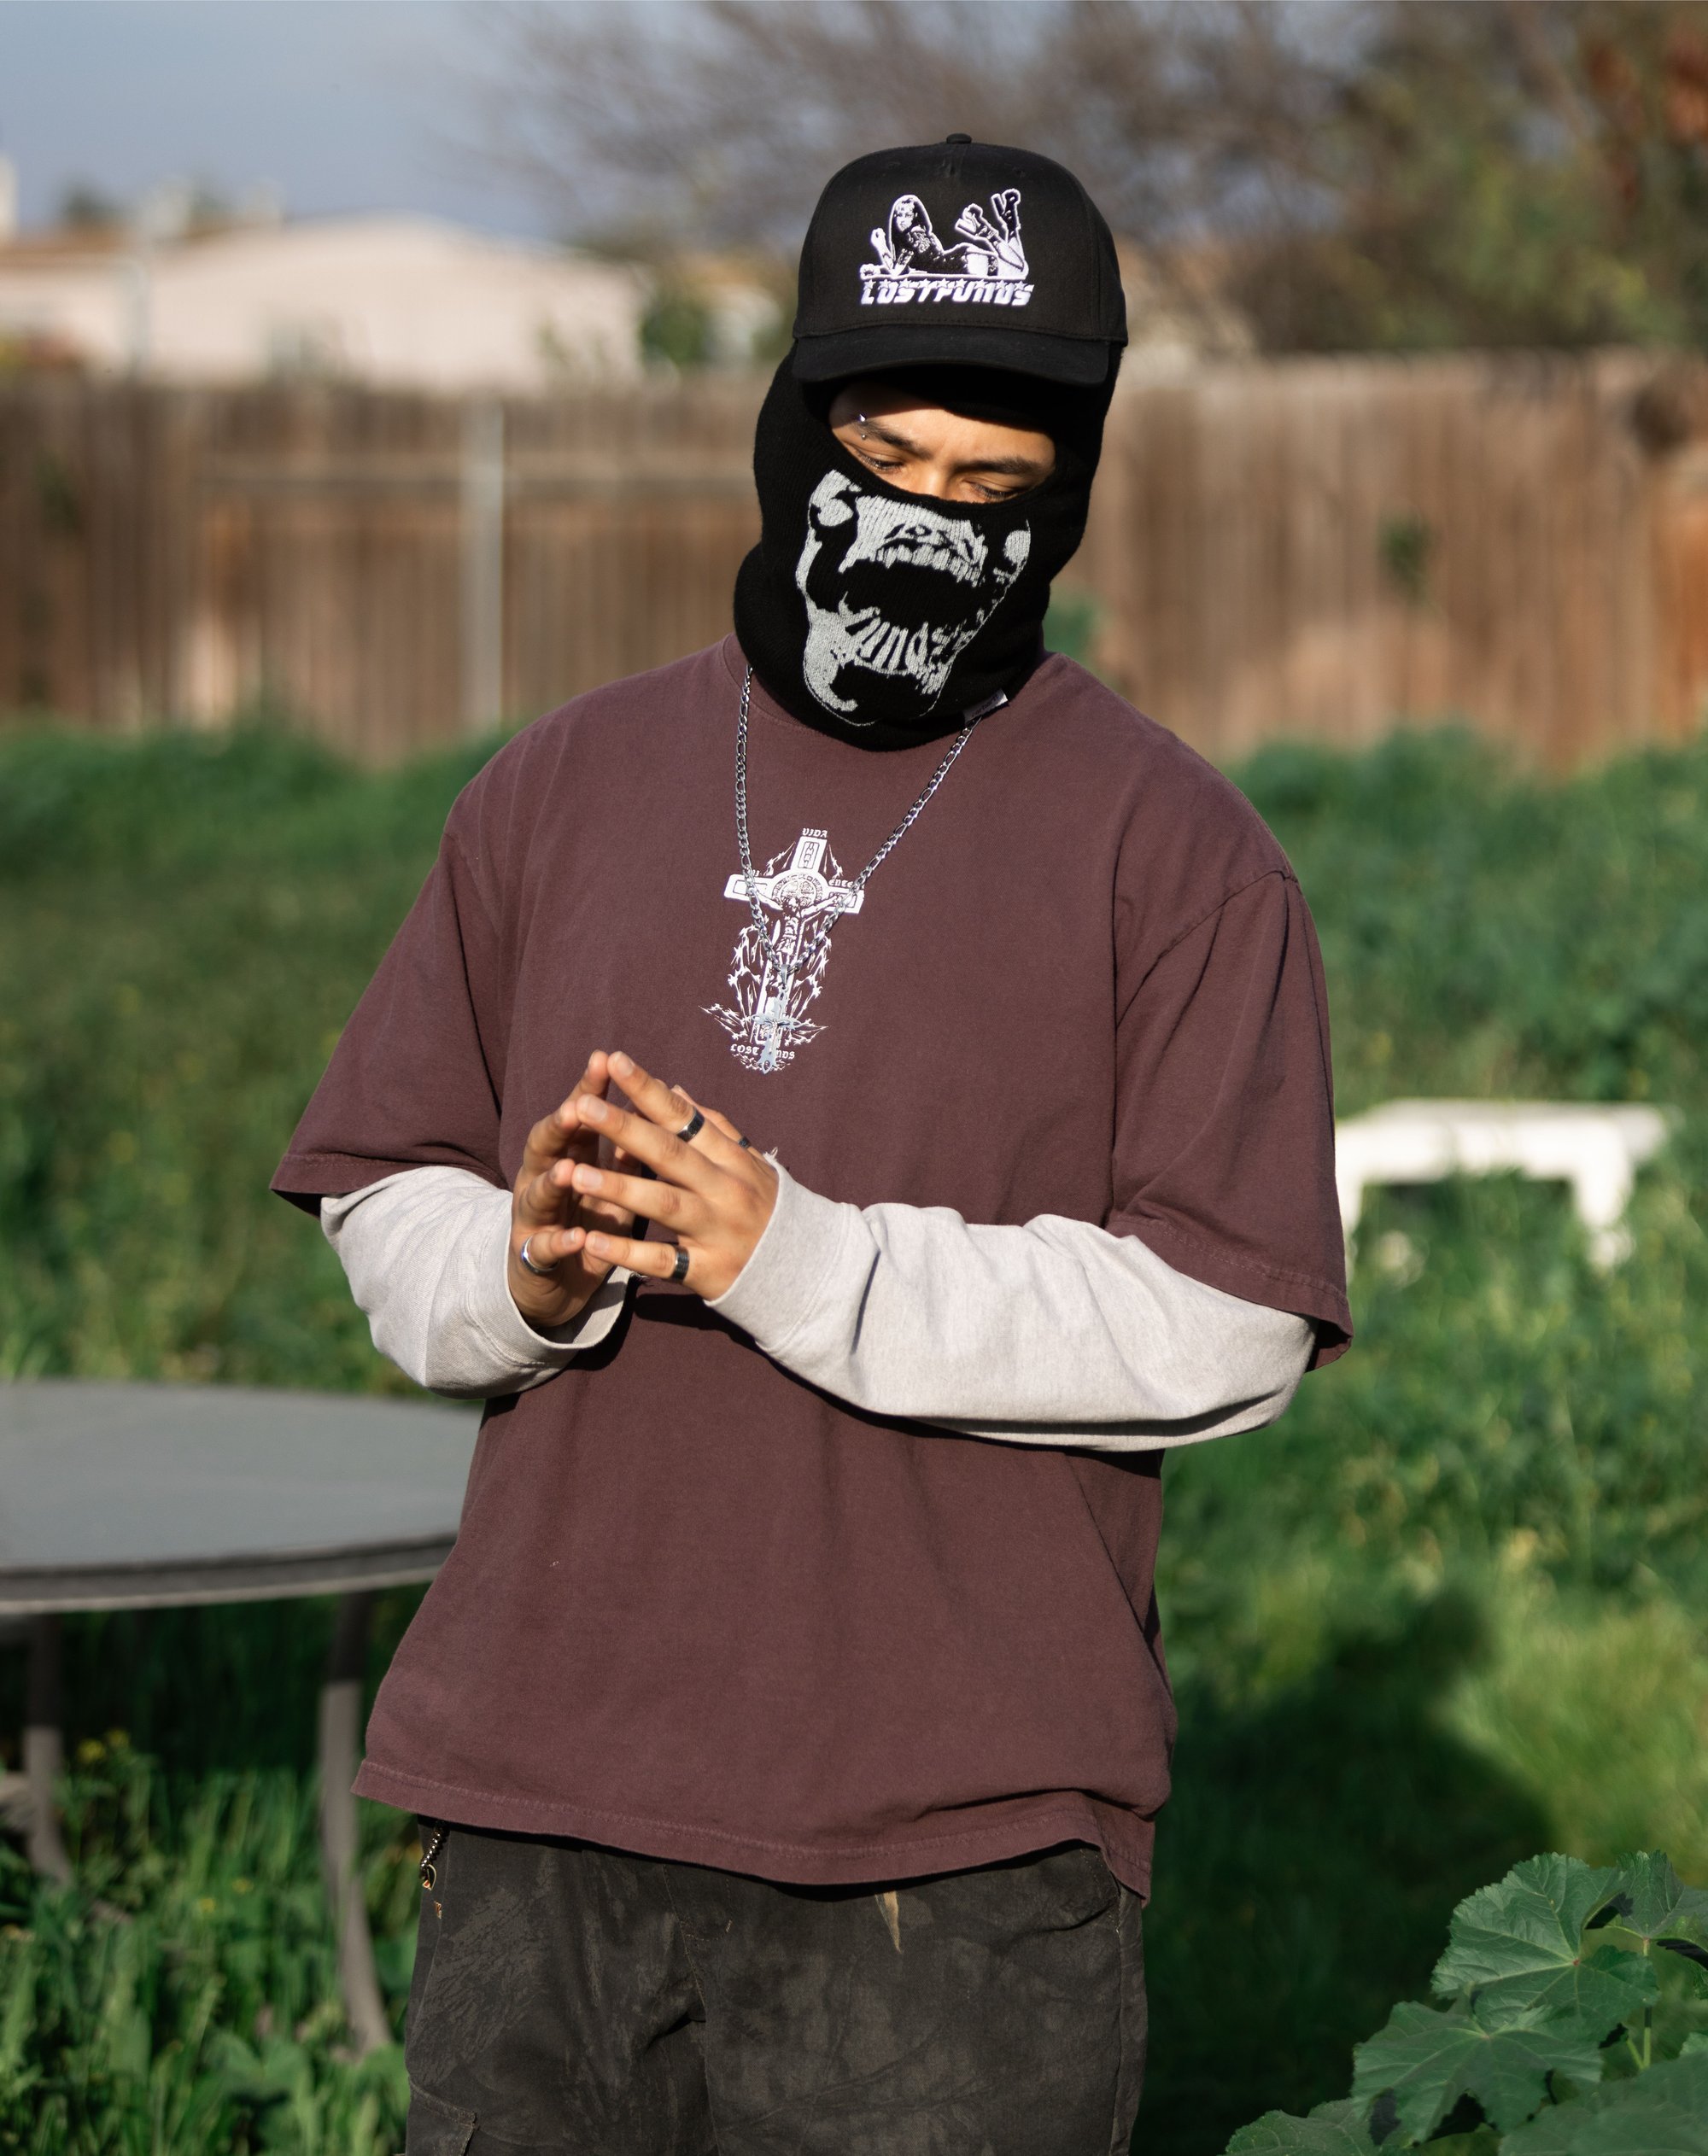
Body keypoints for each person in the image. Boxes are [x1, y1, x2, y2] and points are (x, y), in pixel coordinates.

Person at [274, 136, 1350, 2156]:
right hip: (537, 1791)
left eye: (992, 486)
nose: (928, 521)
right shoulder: (559, 785)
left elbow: (1231, 1324)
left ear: (1068, 489)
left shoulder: (1176, 851)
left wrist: (796, 1259)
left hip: (950, 1851)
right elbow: (382, 1181)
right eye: (884, 455)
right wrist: (515, 1274)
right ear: (792, 421)